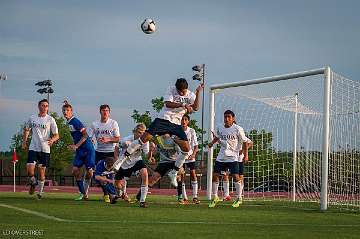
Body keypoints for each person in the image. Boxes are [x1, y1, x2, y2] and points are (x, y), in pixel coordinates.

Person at [120, 78, 204, 187]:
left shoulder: (190, 94)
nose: (182, 94)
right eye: (180, 92)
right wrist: (182, 105)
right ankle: (121, 161)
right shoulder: (171, 89)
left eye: (184, 91)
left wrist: (198, 92)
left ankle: (174, 171)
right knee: (144, 139)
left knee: (187, 149)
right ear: (177, 89)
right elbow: (168, 104)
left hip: (176, 124)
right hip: (164, 119)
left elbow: (196, 107)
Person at [208, 110, 252, 208]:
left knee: (236, 176)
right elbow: (217, 137)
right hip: (222, 156)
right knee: (215, 175)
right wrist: (212, 143)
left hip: (233, 156)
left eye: (228, 117)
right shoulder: (220, 127)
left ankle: (238, 198)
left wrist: (246, 155)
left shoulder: (238, 129)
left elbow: (245, 141)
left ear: (233, 118)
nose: (226, 119)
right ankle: (215, 197)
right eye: (225, 117)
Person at [22, 99, 59, 199]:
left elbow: (56, 135)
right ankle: (33, 183)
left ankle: (40, 193)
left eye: (46, 106)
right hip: (33, 147)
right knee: (30, 170)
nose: (45, 107)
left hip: (45, 149)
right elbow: (26, 129)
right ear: (39, 106)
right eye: (43, 105)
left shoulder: (50, 119)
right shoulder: (32, 118)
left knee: (42, 173)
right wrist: (24, 142)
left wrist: (52, 140)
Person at [62, 100, 95, 201]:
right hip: (80, 151)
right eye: (64, 110)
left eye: (67, 110)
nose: (65, 112)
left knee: (90, 173)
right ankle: (83, 193)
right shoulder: (69, 122)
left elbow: (85, 135)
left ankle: (86, 189)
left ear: (72, 112)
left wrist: (76, 145)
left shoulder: (75, 121)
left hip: (88, 149)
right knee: (75, 171)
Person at [114, 123, 152, 207]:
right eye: (139, 132)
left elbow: (146, 157)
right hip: (124, 163)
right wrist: (116, 159)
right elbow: (116, 147)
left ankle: (142, 201)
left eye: (142, 133)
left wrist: (151, 151)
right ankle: (120, 194)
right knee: (117, 184)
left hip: (136, 161)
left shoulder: (145, 141)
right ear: (134, 132)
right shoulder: (126, 140)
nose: (140, 135)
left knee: (145, 174)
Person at [90, 104, 120, 203]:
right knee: (98, 176)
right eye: (103, 110)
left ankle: (112, 195)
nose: (105, 112)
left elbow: (117, 138)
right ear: (100, 112)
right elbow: (89, 136)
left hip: (110, 152)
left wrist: (108, 139)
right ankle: (107, 194)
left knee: (110, 176)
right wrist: (91, 141)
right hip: (99, 152)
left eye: (107, 110)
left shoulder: (113, 123)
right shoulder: (95, 124)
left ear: (109, 112)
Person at [177, 114, 200, 204]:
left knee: (193, 174)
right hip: (180, 157)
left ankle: (195, 196)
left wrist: (193, 154)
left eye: (185, 119)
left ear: (188, 121)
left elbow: (196, 146)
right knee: (181, 176)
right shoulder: (177, 131)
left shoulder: (192, 131)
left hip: (190, 156)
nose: (183, 121)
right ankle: (184, 196)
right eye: (182, 119)